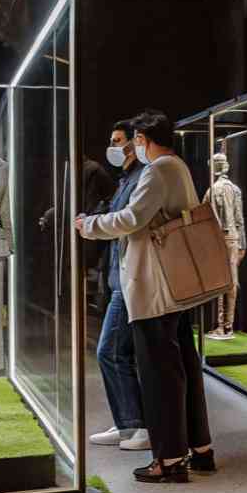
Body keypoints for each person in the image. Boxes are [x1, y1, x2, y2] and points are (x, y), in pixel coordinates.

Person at [75, 109, 215, 483]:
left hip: (154, 287)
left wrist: (89, 225)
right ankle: (199, 450)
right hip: (175, 287)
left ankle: (168, 461)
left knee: (159, 377)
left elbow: (132, 218)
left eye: (135, 140)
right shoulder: (178, 166)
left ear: (144, 140)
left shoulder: (157, 170)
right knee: (183, 368)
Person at [88, 119, 150, 451]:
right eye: (111, 140)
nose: (113, 146)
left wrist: (92, 225)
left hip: (129, 280)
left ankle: (136, 425)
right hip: (117, 277)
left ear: (133, 143)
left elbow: (126, 222)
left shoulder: (143, 178)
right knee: (117, 352)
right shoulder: (126, 178)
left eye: (118, 140)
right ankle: (127, 423)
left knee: (110, 352)